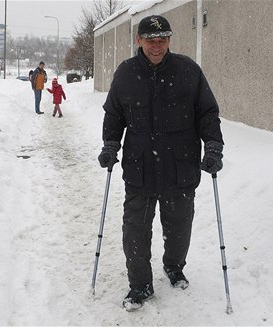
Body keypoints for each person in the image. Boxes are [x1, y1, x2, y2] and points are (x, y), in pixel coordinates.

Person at [97, 15, 224, 311]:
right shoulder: (126, 73)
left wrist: (214, 146)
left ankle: (174, 266)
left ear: (169, 40)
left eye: (162, 40)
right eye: (151, 40)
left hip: (180, 168)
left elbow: (207, 113)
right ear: (138, 40)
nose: (157, 46)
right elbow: (114, 115)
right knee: (135, 232)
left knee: (179, 228)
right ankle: (140, 285)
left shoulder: (188, 71)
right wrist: (110, 145)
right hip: (139, 169)